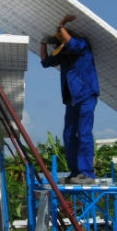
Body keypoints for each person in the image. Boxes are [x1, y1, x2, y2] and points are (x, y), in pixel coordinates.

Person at [40, 14, 100, 184]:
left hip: (86, 94)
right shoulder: (65, 55)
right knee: (68, 135)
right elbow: (45, 62)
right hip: (72, 99)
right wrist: (43, 43)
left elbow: (71, 43)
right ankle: (75, 172)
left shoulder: (82, 46)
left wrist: (61, 26)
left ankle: (87, 173)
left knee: (84, 132)